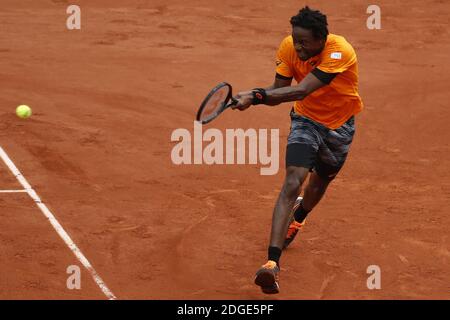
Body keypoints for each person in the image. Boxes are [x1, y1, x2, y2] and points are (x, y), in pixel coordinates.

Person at [232, 6, 363, 294]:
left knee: (319, 184)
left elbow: (302, 89)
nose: (298, 46)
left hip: (340, 125)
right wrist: (256, 96)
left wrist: (254, 96)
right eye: (295, 39)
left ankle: (299, 216)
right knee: (293, 179)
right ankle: (271, 263)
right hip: (305, 121)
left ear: (321, 39)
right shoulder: (289, 47)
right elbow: (280, 91)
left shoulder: (339, 51)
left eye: (304, 42)